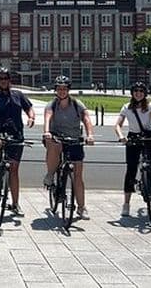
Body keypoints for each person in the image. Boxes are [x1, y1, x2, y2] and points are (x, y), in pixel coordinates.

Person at [0, 67, 35, 216]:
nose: (3, 81)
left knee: (14, 170)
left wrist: (31, 117)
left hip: (15, 133)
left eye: (5, 78)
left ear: (9, 80)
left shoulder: (18, 95)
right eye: (0, 79)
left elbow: (29, 107)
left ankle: (15, 203)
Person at [42, 75, 95, 220]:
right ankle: (51, 173)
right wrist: (46, 131)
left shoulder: (77, 105)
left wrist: (90, 135)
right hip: (56, 136)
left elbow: (86, 119)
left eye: (64, 89)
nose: (62, 91)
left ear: (68, 90)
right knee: (54, 144)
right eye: (59, 89)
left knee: (78, 175)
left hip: (74, 138)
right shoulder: (52, 105)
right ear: (56, 90)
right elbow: (47, 117)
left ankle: (81, 207)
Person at [113, 81, 151, 218]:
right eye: (136, 91)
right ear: (132, 93)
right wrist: (121, 136)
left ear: (145, 94)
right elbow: (117, 125)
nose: (138, 93)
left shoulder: (149, 105)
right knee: (131, 169)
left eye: (141, 91)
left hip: (148, 136)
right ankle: (126, 203)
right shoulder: (127, 107)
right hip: (133, 137)